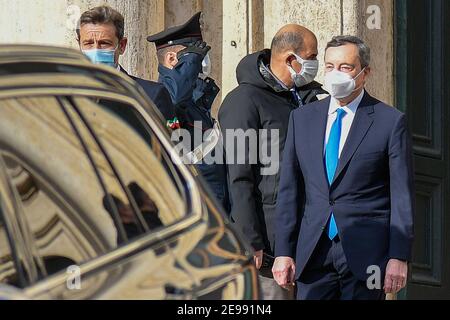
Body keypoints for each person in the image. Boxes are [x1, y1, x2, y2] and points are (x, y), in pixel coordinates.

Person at [272, 36, 415, 300]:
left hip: (367, 254)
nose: (335, 74)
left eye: (345, 67)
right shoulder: (302, 118)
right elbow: (290, 190)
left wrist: (399, 256)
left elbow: (401, 196)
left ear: (365, 73)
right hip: (313, 252)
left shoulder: (390, 122)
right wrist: (283, 251)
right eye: (329, 66)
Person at [218, 25, 327, 300]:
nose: (315, 64)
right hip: (265, 249)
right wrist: (249, 240)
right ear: (292, 59)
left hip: (306, 244)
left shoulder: (305, 99)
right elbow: (238, 174)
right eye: (311, 57)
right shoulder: (244, 100)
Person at [147, 12, 228, 210]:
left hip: (214, 202)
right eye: (197, 54)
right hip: (193, 204)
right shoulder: (163, 94)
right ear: (172, 58)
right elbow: (173, 101)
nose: (203, 61)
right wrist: (191, 61)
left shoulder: (193, 97)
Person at [76, 6, 177, 127]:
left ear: (122, 46)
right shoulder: (62, 93)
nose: (96, 50)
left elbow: (174, 140)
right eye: (88, 43)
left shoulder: (152, 96)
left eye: (104, 43)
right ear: (79, 45)